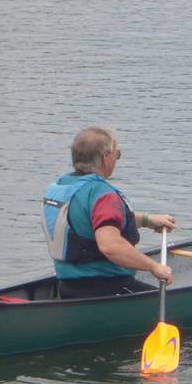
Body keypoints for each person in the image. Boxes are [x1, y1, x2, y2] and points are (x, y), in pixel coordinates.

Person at [41, 127, 176, 299]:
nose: (116, 159)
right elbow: (110, 246)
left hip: (68, 288)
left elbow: (90, 224)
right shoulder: (102, 194)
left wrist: (147, 220)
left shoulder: (61, 187)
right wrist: (154, 267)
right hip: (108, 288)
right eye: (116, 154)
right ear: (106, 158)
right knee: (178, 309)